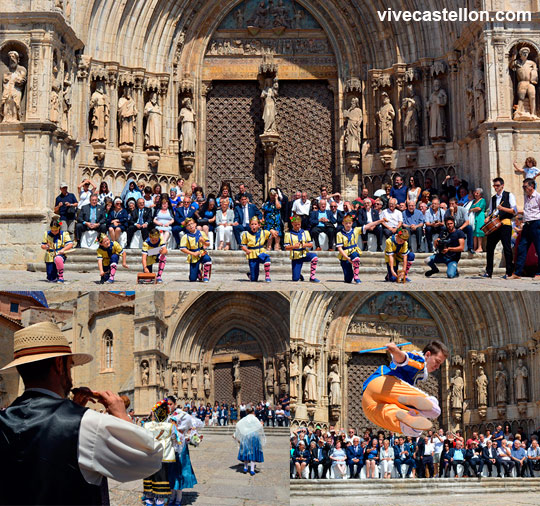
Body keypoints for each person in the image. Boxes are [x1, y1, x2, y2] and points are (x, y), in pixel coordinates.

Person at [0, 321, 162, 506]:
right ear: (59, 365)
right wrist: (121, 415)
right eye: (70, 366)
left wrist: (69, 409)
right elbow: (151, 459)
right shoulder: (86, 423)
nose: (71, 373)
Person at [362, 340, 447, 437]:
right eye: (437, 361)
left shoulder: (418, 373)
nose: (437, 367)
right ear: (427, 355)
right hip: (383, 383)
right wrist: (395, 351)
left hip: (368, 403)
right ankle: (414, 403)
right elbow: (403, 359)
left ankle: (407, 421)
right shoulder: (420, 360)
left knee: (412, 429)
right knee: (434, 408)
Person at [143, 400, 176, 506]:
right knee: (161, 477)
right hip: (163, 456)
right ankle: (160, 501)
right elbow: (175, 440)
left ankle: (149, 499)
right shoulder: (170, 427)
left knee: (149, 476)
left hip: (150, 455)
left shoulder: (147, 425)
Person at [168, 410, 203, 506]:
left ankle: (178, 497)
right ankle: (172, 496)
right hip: (171, 450)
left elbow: (191, 428)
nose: (169, 406)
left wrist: (193, 437)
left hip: (180, 450)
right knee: (171, 473)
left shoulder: (184, 416)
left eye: (171, 404)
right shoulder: (169, 418)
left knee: (180, 472)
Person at [336, 214, 385, 283]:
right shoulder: (339, 234)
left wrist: (380, 221)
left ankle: (356, 276)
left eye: (349, 223)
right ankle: (350, 275)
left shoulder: (355, 230)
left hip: (353, 250)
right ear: (343, 223)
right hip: (345, 254)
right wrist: (347, 258)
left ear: (352, 223)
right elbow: (340, 248)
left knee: (355, 257)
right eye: (346, 223)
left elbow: (368, 225)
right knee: (348, 279)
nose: (348, 225)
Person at [483, 177, 517, 278]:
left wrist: (502, 208)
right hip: (494, 225)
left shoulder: (509, 195)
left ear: (502, 185)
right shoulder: (493, 198)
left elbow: (514, 210)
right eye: (494, 185)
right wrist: (488, 217)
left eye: (497, 185)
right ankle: (489, 272)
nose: (495, 187)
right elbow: (490, 211)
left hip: (505, 224)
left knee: (506, 247)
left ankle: (509, 272)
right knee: (489, 247)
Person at [511, 178, 540, 279]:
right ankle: (518, 272)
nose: (523, 188)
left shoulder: (538, 197)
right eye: (523, 187)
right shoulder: (526, 197)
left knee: (538, 248)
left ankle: (539, 273)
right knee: (521, 248)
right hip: (527, 224)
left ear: (531, 186)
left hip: (536, 223)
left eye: (525, 186)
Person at [283, 215, 319, 282]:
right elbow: (286, 247)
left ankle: (312, 277)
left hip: (304, 254)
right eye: (295, 225)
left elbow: (311, 244)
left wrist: (305, 245)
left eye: (299, 224)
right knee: (295, 279)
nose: (297, 226)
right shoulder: (288, 234)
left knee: (314, 257)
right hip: (296, 256)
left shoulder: (305, 233)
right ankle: (298, 274)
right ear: (292, 224)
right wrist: (294, 246)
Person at [233, 405, 265, 476]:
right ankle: (252, 469)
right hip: (254, 436)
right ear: (253, 411)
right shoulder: (254, 418)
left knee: (246, 451)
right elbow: (259, 426)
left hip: (246, 436)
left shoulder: (245, 418)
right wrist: (261, 424)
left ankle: (245, 467)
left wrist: (237, 434)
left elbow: (238, 424)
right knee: (253, 452)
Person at [41, 217, 73, 283]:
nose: (54, 232)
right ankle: (53, 276)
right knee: (51, 278)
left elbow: (70, 244)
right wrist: (46, 246)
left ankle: (60, 275)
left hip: (59, 254)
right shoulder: (46, 234)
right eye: (52, 230)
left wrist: (63, 250)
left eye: (56, 231)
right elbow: (42, 245)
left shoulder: (64, 234)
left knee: (58, 259)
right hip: (50, 254)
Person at [179, 218, 212, 282]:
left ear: (195, 224)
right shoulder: (186, 236)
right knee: (192, 279)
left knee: (207, 259)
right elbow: (182, 248)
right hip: (193, 254)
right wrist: (193, 253)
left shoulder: (201, 233)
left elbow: (208, 244)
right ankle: (198, 273)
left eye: (192, 224)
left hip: (201, 252)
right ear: (186, 228)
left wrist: (203, 242)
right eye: (188, 225)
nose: (191, 226)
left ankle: (205, 275)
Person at [241, 216, 272, 282]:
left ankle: (267, 275)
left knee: (267, 258)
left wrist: (269, 245)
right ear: (249, 225)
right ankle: (251, 275)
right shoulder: (246, 234)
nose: (254, 226)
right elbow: (242, 245)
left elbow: (271, 236)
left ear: (259, 225)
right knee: (254, 279)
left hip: (260, 251)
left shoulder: (263, 232)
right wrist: (246, 250)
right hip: (252, 254)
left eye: (255, 224)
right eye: (252, 224)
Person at [470, 188, 486, 253]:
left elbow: (479, 208)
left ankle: (480, 247)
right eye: (475, 193)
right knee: (474, 232)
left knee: (479, 232)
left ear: (480, 194)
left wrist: (472, 209)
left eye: (477, 193)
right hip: (474, 217)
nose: (475, 194)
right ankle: (474, 247)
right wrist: (473, 209)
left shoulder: (482, 200)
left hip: (480, 217)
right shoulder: (473, 201)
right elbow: (471, 208)